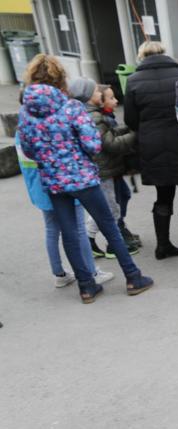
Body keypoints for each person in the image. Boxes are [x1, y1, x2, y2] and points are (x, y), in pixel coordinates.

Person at [16, 55, 153, 303]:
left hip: (54, 181)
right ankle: (133, 277)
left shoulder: (26, 112)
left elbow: (27, 149)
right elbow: (93, 143)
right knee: (109, 227)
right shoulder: (71, 107)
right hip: (82, 178)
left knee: (69, 233)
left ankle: (86, 287)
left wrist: (49, 158)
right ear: (59, 78)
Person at [125, 41, 178, 263]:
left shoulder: (133, 81)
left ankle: (162, 246)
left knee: (163, 197)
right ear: (165, 53)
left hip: (152, 144)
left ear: (141, 56)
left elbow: (130, 120)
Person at [17, 135, 113, 288]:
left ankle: (59, 274)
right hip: (64, 185)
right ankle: (92, 271)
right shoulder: (47, 125)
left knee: (51, 230)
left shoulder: (21, 132)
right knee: (79, 228)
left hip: (38, 189)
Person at [65, 78, 140, 258]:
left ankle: (96, 241)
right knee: (109, 209)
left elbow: (109, 134)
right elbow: (110, 144)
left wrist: (126, 130)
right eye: (96, 92)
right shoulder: (93, 116)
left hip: (104, 169)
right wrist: (136, 134)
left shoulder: (93, 114)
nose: (99, 93)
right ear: (89, 96)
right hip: (102, 170)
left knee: (108, 207)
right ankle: (113, 245)